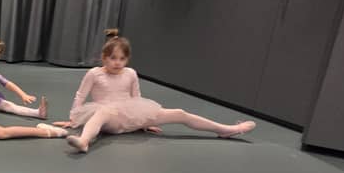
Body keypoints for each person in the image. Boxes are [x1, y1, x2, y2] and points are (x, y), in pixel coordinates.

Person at [54, 29, 256, 153]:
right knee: (103, 111)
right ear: (104, 57)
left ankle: (226, 130)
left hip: (130, 116)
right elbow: (80, 95)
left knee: (179, 113)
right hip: (110, 120)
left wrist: (145, 120)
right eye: (113, 58)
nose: (117, 63)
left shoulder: (130, 73)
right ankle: (84, 141)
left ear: (127, 59)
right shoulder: (94, 73)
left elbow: (137, 99)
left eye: (122, 59)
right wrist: (74, 117)